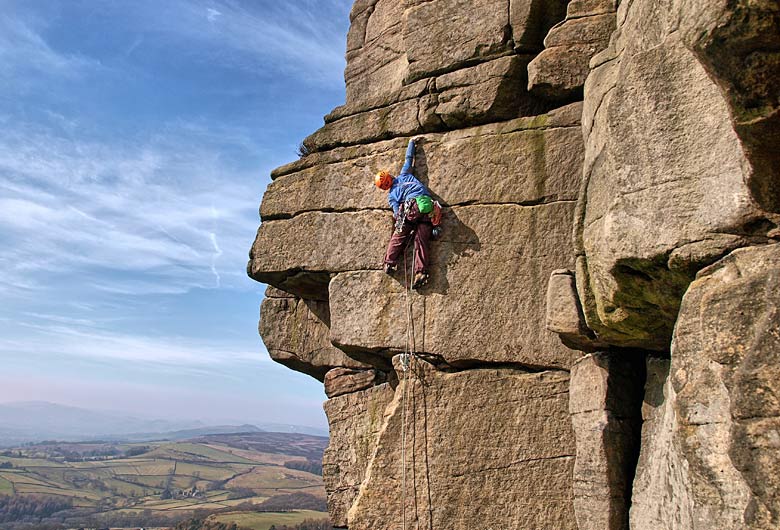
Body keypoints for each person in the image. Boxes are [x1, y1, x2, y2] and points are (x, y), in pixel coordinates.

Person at [375, 137, 434, 289]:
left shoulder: (392, 195)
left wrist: (400, 219)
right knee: (421, 241)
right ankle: (420, 272)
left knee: (399, 235)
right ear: (390, 176)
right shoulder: (404, 174)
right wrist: (412, 142)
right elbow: (409, 158)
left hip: (412, 207)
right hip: (427, 207)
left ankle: (389, 263)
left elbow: (396, 214)